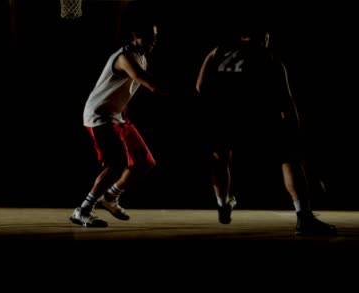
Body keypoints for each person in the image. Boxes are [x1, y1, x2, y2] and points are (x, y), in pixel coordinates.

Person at [195, 31, 337, 235]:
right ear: (257, 37)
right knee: (290, 158)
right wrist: (296, 132)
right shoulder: (268, 57)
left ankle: (223, 203)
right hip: (255, 117)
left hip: (222, 115)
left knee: (220, 158)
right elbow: (286, 102)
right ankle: (304, 216)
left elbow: (200, 86)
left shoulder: (217, 51)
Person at [70, 19, 168, 227]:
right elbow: (150, 84)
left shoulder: (142, 57)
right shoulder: (125, 57)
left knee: (144, 162)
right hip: (99, 114)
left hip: (116, 115)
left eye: (155, 37)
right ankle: (83, 210)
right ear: (135, 34)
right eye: (149, 37)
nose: (153, 41)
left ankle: (110, 196)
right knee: (116, 163)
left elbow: (125, 91)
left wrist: (123, 116)